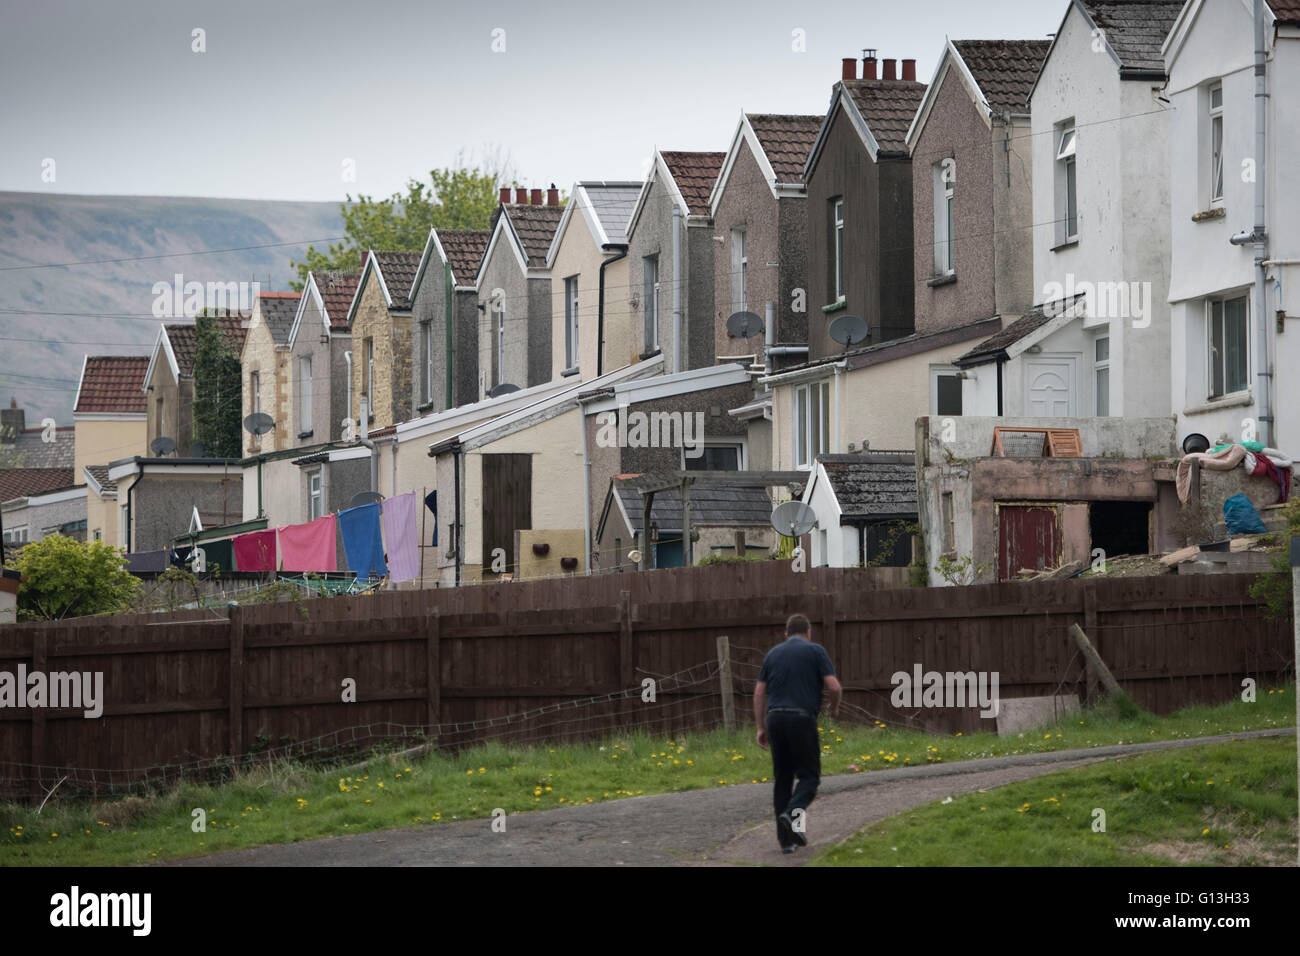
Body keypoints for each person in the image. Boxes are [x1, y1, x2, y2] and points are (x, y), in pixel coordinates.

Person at [753, 613, 841, 853]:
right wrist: (834, 708)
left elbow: (759, 692)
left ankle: (787, 841)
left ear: (786, 633)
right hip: (801, 718)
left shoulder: (772, 654)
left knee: (783, 779)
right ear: (808, 632)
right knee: (809, 777)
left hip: (775, 718)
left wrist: (761, 726)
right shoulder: (815, 651)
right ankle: (793, 815)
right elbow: (833, 686)